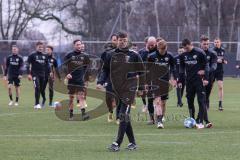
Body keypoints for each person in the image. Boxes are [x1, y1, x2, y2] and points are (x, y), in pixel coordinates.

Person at [97, 31, 142, 152]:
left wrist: (142, 88)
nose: (122, 42)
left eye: (124, 40)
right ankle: (132, 142)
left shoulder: (134, 55)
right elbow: (105, 70)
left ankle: (117, 143)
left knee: (123, 114)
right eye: (120, 40)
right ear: (116, 41)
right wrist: (100, 81)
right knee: (123, 116)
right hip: (116, 88)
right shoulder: (110, 54)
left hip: (129, 89)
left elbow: (142, 72)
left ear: (127, 41)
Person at [178, 39, 209, 129]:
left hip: (200, 81)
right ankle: (192, 119)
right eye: (184, 48)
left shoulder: (200, 52)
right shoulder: (183, 55)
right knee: (190, 101)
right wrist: (180, 80)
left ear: (190, 44)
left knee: (201, 100)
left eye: (187, 48)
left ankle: (200, 121)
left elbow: (206, 65)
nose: (186, 50)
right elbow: (181, 68)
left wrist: (206, 77)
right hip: (189, 82)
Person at [148, 39, 176, 129]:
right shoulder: (151, 56)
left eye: (164, 50)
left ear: (166, 48)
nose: (162, 52)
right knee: (158, 101)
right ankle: (159, 122)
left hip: (165, 81)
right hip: (155, 81)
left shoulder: (170, 56)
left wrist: (173, 79)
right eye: (161, 50)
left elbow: (174, 67)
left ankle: (160, 117)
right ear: (158, 48)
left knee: (163, 102)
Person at [64, 39, 90, 120]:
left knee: (81, 97)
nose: (79, 46)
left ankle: (83, 114)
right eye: (77, 44)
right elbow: (64, 66)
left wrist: (85, 78)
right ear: (74, 45)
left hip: (80, 80)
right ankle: (71, 115)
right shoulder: (69, 55)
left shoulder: (85, 56)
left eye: (80, 44)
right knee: (71, 98)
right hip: (71, 80)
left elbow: (86, 68)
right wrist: (67, 74)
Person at [99, 34, 118, 123]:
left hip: (120, 80)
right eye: (114, 40)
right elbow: (102, 67)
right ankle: (110, 111)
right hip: (108, 78)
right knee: (109, 98)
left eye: (117, 40)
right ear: (111, 41)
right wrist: (100, 80)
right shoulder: (106, 53)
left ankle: (118, 117)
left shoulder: (125, 53)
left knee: (119, 98)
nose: (116, 41)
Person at [138, 36, 157, 124]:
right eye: (149, 45)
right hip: (145, 78)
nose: (150, 46)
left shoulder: (158, 51)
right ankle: (152, 119)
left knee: (159, 99)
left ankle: (160, 118)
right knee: (149, 98)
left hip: (157, 78)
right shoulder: (142, 52)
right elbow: (138, 62)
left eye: (152, 45)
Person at [27, 41, 49, 109]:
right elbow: (28, 65)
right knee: (37, 88)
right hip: (35, 75)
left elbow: (47, 66)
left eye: (42, 47)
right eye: (39, 47)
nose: (40, 48)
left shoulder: (45, 56)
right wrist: (29, 74)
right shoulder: (32, 55)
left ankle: (43, 100)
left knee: (41, 89)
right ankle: (37, 104)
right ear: (36, 47)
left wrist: (49, 73)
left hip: (43, 75)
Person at [213, 38, 227, 111]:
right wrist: (216, 60)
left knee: (220, 87)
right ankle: (207, 103)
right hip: (212, 70)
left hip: (220, 71)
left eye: (217, 42)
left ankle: (220, 104)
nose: (216, 43)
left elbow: (223, 59)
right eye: (215, 42)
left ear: (220, 42)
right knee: (209, 88)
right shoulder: (212, 51)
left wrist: (224, 61)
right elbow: (209, 60)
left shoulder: (223, 50)